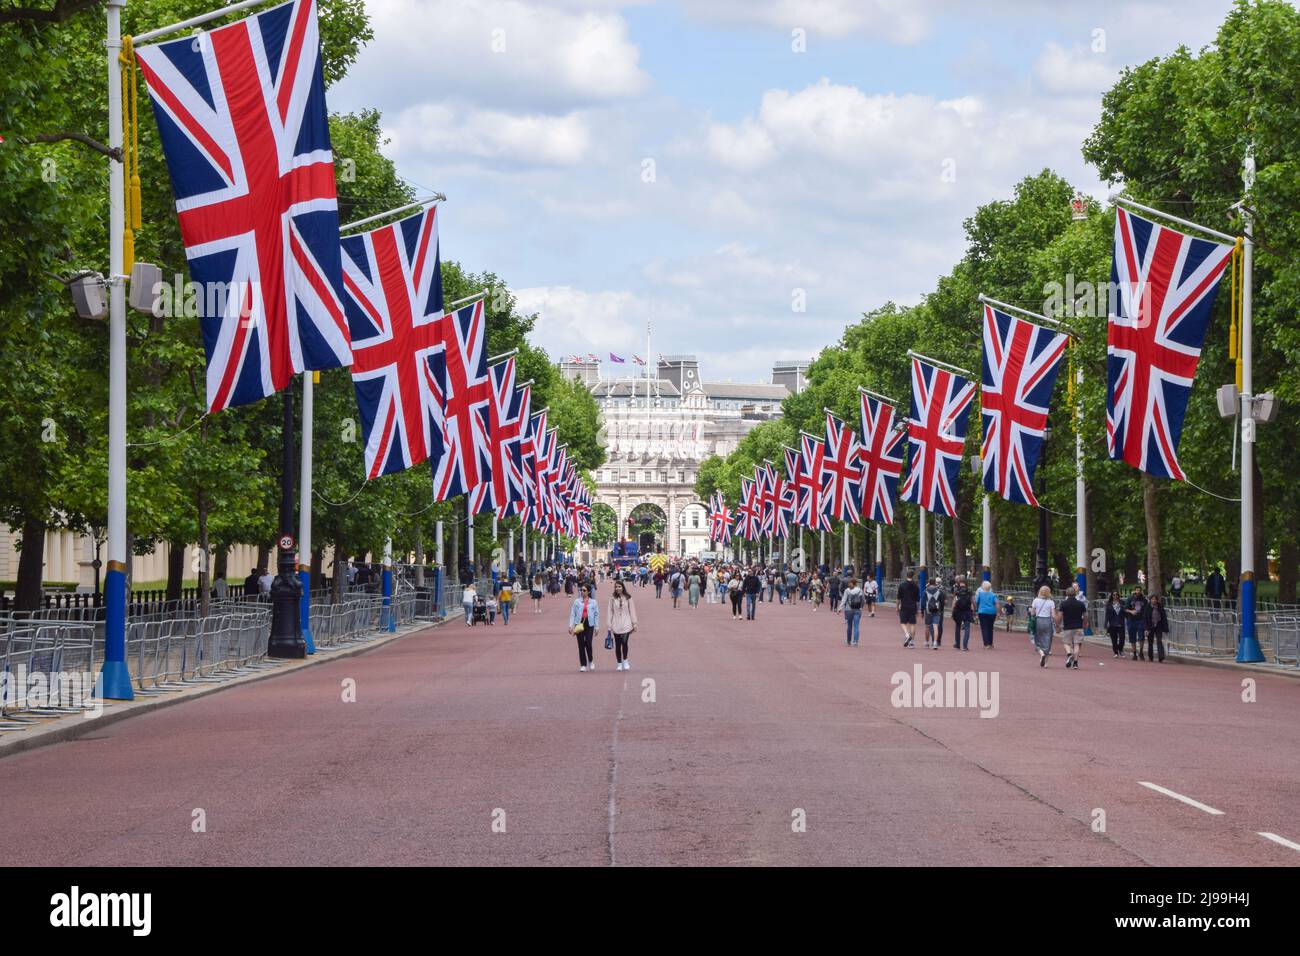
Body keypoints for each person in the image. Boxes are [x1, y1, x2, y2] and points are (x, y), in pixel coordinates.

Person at [606, 579, 638, 670]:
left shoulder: (628, 597)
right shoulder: (612, 598)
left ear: (623, 587)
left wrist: (634, 623)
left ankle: (625, 660)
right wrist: (609, 624)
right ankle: (619, 663)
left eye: (619, 586)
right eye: (616, 587)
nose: (617, 588)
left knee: (624, 643)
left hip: (626, 623)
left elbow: (632, 610)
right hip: (616, 624)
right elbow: (610, 611)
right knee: (618, 644)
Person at [568, 583, 600, 672]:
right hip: (579, 623)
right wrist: (571, 625)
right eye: (581, 590)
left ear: (589, 591)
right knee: (581, 644)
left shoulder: (594, 602)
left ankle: (591, 660)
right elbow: (572, 614)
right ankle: (583, 664)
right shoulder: (577, 601)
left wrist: (597, 626)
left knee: (588, 643)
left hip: (589, 624)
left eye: (584, 590)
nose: (582, 592)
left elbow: (596, 615)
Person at [1058, 584, 1087, 669]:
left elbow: (1059, 616)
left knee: (1066, 643)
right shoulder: (1081, 604)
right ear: (1075, 593)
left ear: (1066, 594)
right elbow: (1085, 615)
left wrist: (1058, 625)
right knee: (1077, 644)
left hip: (1067, 626)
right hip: (1078, 626)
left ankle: (1069, 654)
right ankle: (1075, 663)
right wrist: (1085, 623)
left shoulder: (1063, 604)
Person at [1030, 585, 1056, 667]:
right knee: (1048, 640)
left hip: (1038, 620)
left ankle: (1041, 653)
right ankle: (1046, 663)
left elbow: (1033, 613)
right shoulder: (1051, 602)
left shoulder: (1035, 600)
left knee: (1037, 638)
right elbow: (1054, 615)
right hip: (1048, 621)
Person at [1124, 587, 1149, 660]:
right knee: (1132, 636)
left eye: (1139, 590)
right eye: (1137, 590)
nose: (1138, 591)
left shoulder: (1144, 600)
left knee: (1141, 636)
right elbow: (1125, 608)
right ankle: (1134, 653)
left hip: (1141, 620)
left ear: (1141, 591)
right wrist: (1131, 611)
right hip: (1131, 620)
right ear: (1135, 591)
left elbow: (1146, 610)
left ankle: (1141, 651)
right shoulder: (1130, 599)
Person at [897, 570, 920, 647]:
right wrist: (917, 609)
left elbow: (898, 598)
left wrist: (897, 607)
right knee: (913, 624)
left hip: (904, 606)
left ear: (906, 575)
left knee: (903, 622)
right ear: (913, 576)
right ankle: (912, 642)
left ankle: (907, 635)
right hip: (913, 607)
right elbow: (917, 599)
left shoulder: (902, 585)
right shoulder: (916, 586)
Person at [1144, 594, 1169, 662]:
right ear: (1150, 600)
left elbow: (1164, 617)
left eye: (1155, 599)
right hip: (1150, 626)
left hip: (1158, 626)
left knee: (1159, 641)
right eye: (1152, 599)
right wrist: (1146, 629)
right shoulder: (1147, 607)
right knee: (1150, 642)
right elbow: (1145, 618)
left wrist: (1166, 628)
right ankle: (1150, 656)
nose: (1154, 601)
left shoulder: (1160, 607)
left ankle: (1161, 656)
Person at [950, 577, 973, 651]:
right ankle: (965, 646)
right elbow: (973, 601)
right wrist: (974, 609)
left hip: (958, 611)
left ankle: (957, 644)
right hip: (967, 611)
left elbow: (954, 602)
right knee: (967, 628)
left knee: (957, 627)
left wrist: (952, 611)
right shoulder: (969, 591)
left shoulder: (957, 591)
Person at [923, 578, 946, 649]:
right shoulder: (939, 591)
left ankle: (927, 642)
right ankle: (935, 642)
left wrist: (921, 610)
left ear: (929, 583)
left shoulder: (926, 591)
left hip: (928, 610)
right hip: (937, 610)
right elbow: (942, 602)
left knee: (927, 626)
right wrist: (941, 610)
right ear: (935, 583)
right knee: (936, 626)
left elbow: (923, 601)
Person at [975, 580, 998, 648]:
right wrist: (998, 612)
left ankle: (986, 644)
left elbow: (976, 602)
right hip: (992, 612)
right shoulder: (993, 595)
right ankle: (991, 643)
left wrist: (976, 610)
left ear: (983, 587)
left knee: (984, 628)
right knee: (990, 628)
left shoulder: (980, 594)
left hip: (982, 612)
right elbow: (997, 603)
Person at [843, 578, 865, 646]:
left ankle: (848, 641)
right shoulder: (860, 590)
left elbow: (844, 600)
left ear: (853, 583)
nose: (848, 584)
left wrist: (840, 608)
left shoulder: (847, 590)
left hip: (849, 609)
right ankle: (855, 641)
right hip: (858, 609)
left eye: (850, 583)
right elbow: (863, 600)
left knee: (849, 625)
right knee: (856, 626)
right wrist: (861, 607)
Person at [1104, 591, 1126, 658]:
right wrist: (1106, 624)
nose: (1115, 596)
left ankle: (1120, 649)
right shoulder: (1109, 604)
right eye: (1114, 595)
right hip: (1112, 624)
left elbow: (1125, 612)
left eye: (1116, 595)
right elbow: (1107, 615)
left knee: (1122, 638)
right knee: (1114, 639)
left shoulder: (1122, 603)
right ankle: (1115, 652)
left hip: (1121, 623)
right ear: (1112, 596)